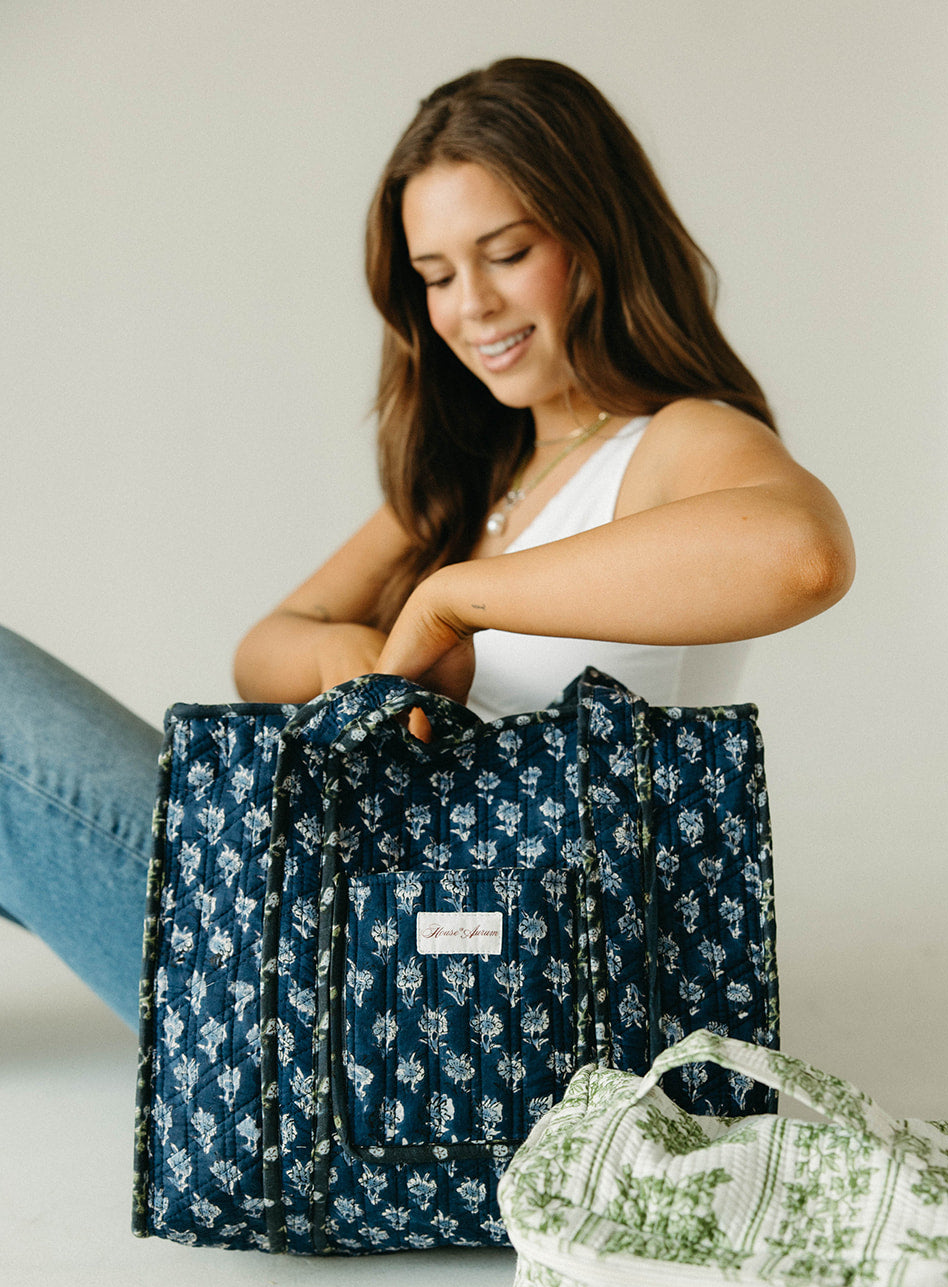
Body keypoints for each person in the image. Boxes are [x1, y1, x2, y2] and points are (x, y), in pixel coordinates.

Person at [0, 57, 853, 1033]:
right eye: (437, 276)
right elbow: (263, 649)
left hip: (476, 988)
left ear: (598, 237)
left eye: (506, 253)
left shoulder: (673, 440)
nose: (470, 305)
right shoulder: (479, 477)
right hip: (372, 918)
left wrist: (454, 600)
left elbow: (801, 555)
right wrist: (349, 655)